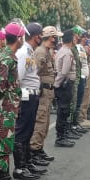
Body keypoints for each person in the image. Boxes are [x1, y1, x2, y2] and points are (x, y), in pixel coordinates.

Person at [0, 23, 25, 180]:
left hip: (8, 107)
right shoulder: (7, 58)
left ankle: (6, 177)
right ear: (18, 38)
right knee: (3, 145)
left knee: (7, 143)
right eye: (22, 36)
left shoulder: (10, 56)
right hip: (5, 109)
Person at [13, 22, 43, 180]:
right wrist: (21, 99)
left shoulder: (30, 51)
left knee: (29, 130)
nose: (41, 38)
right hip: (26, 94)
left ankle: (26, 162)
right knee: (23, 131)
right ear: (35, 35)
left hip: (32, 95)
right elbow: (18, 77)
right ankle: (19, 167)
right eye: (40, 35)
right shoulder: (24, 52)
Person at [29, 26, 60, 167]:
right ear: (50, 37)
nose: (56, 40)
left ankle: (39, 148)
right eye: (54, 37)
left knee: (45, 123)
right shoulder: (40, 52)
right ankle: (34, 150)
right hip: (42, 93)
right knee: (40, 123)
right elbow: (35, 72)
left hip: (48, 93)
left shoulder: (47, 51)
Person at [53, 30, 78, 148]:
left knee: (63, 111)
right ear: (71, 39)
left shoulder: (61, 50)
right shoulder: (67, 53)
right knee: (63, 111)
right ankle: (61, 137)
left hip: (63, 85)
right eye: (75, 38)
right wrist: (56, 85)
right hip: (64, 85)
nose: (76, 40)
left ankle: (62, 135)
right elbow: (64, 72)